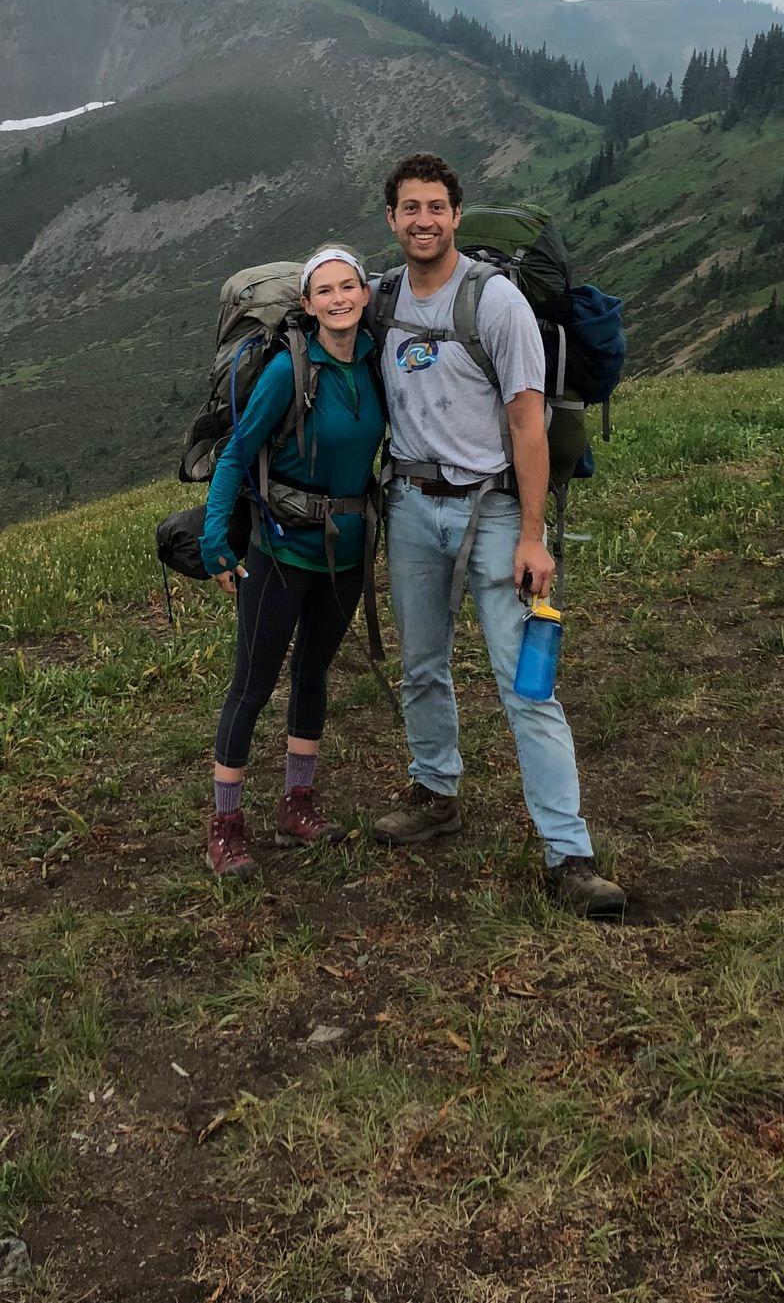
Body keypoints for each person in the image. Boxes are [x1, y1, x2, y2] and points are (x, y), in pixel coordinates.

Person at [367, 152, 625, 918]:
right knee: (421, 664)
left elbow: (527, 421)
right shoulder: (381, 299)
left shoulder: (498, 303)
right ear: (391, 218)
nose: (423, 220)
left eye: (436, 207)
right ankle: (434, 791)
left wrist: (534, 535)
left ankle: (568, 853)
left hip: (494, 512)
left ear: (455, 214)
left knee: (527, 686)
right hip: (411, 505)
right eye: (409, 207)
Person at [199, 247, 385, 877]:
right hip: (279, 550)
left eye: (348, 287)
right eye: (324, 291)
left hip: (348, 552)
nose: (338, 299)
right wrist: (215, 542)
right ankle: (226, 826)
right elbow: (235, 455)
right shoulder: (287, 370)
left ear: (364, 294)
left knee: (312, 673)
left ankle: (296, 804)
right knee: (251, 685)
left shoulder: (376, 363)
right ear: (306, 306)